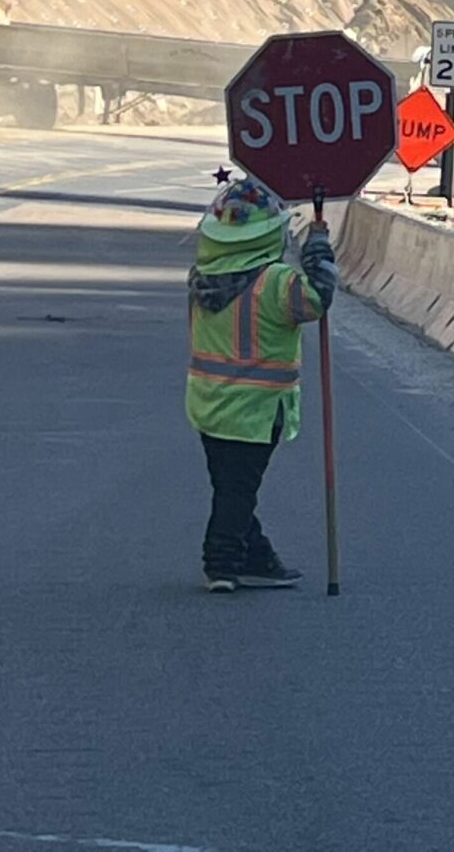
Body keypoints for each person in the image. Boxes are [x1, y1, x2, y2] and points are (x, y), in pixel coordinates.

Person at [185, 172, 337, 592]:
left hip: (207, 404)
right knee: (238, 489)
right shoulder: (276, 282)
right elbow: (318, 298)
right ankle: (221, 562)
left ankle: (258, 557)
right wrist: (319, 247)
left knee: (230, 485)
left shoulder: (200, 279)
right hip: (256, 410)